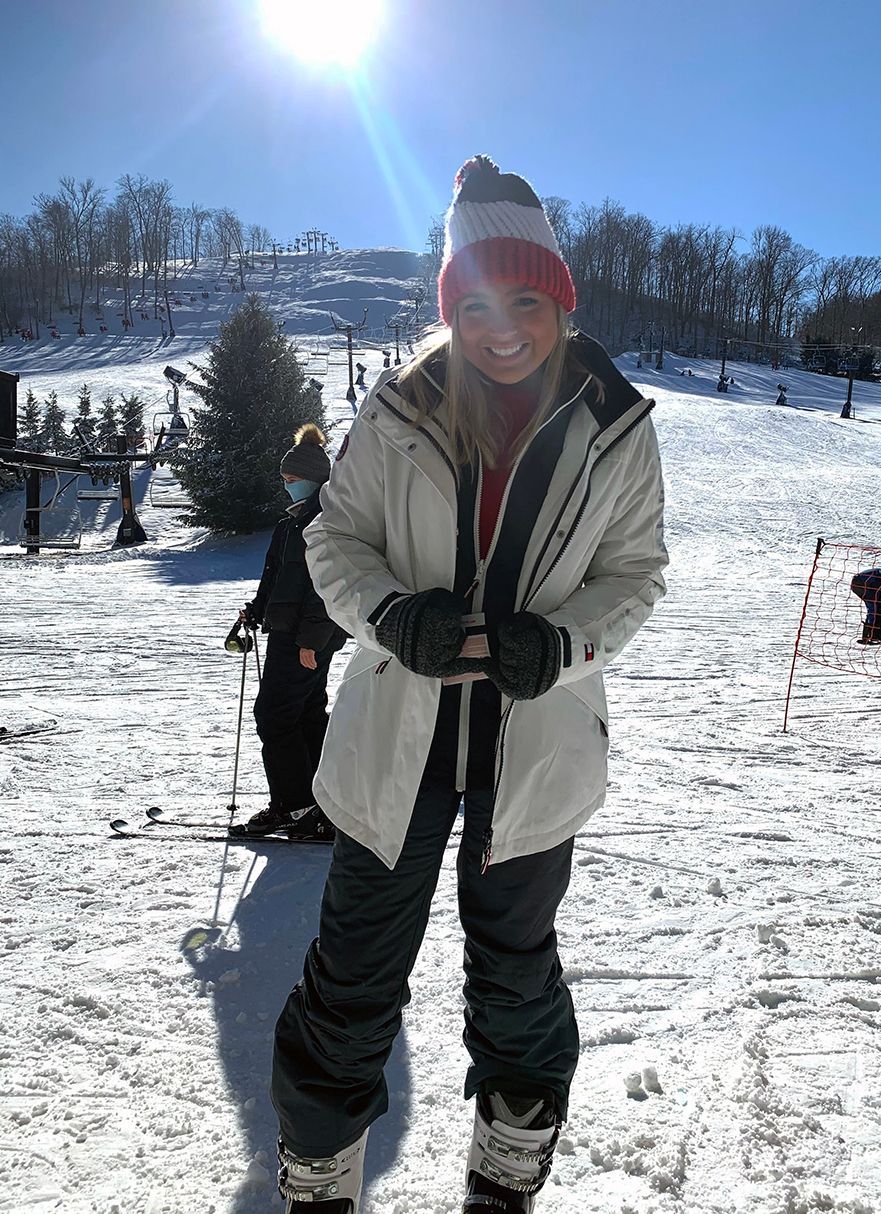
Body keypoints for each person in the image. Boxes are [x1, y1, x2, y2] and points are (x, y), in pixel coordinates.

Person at [268, 155, 669, 1213]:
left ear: (559, 298)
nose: (503, 326)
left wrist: (566, 644)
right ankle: (319, 1173)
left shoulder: (613, 421)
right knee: (352, 969)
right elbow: (336, 539)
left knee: (515, 972)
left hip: (532, 749)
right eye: (479, 302)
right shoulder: (398, 406)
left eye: (525, 300)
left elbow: (635, 572)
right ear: (453, 303)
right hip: (394, 738)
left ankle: (505, 1171)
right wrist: (392, 613)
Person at [228, 424, 348, 841]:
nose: (287, 488)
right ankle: (319, 806)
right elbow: (280, 578)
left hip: (303, 639)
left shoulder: (324, 521)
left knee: (275, 716)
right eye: (285, 481)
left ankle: (294, 806)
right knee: (306, 715)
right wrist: (257, 611)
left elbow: (326, 585)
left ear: (315, 480)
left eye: (293, 482)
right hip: (293, 633)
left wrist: (311, 641)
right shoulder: (294, 523)